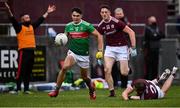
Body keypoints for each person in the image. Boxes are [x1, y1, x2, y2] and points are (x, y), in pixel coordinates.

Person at [48, 7, 103, 100]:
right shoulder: (68, 26)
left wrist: (100, 50)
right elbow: (64, 38)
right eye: (74, 15)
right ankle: (56, 90)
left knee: (84, 77)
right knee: (64, 68)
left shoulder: (86, 25)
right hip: (72, 52)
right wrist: (59, 40)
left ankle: (91, 89)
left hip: (84, 55)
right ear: (71, 15)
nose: (75, 17)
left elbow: (99, 35)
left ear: (81, 16)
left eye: (77, 16)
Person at [5, 2, 56, 94]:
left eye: (29, 17)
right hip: (23, 52)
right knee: (20, 71)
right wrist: (8, 10)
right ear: (22, 20)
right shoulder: (19, 27)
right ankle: (17, 89)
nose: (29, 19)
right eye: (26, 18)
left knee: (28, 72)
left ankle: (26, 89)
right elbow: (12, 19)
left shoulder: (31, 27)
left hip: (32, 52)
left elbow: (40, 20)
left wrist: (47, 12)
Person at [97, 5, 137, 97]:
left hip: (122, 48)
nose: (104, 14)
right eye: (102, 12)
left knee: (124, 72)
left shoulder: (117, 22)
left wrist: (133, 47)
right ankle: (112, 92)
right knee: (107, 70)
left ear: (110, 13)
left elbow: (131, 32)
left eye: (106, 12)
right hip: (110, 49)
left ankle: (128, 69)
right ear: (100, 14)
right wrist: (100, 51)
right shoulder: (100, 26)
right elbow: (100, 39)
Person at [114, 7, 131, 88]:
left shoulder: (126, 23)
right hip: (113, 46)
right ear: (115, 15)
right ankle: (115, 83)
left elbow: (130, 34)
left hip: (124, 46)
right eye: (117, 14)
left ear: (123, 14)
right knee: (113, 66)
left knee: (124, 66)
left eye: (120, 14)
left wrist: (131, 46)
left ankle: (124, 85)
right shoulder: (112, 22)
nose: (119, 15)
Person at [143, 16, 165, 80]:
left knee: (155, 66)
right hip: (149, 50)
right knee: (148, 66)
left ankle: (154, 80)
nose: (154, 21)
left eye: (154, 19)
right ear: (149, 21)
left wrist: (156, 36)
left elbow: (163, 35)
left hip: (156, 49)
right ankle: (147, 80)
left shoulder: (157, 28)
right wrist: (156, 36)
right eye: (152, 20)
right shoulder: (147, 28)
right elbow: (150, 37)